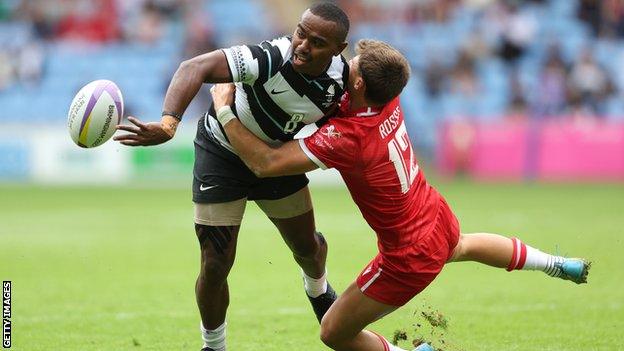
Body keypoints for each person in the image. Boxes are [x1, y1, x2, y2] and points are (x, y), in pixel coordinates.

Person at [209, 39, 591, 351]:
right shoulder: (388, 95)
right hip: (432, 211)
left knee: (332, 333)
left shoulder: (348, 138)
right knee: (464, 247)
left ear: (359, 85)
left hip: (408, 253)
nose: (345, 66)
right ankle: (557, 263)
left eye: (352, 65)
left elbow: (265, 164)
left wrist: (225, 109)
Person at [114, 3, 351, 350]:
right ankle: (214, 345)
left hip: (275, 159)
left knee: (308, 249)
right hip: (222, 155)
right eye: (301, 32)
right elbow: (193, 67)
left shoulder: (341, 82)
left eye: (317, 42)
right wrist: (168, 123)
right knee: (215, 264)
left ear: (337, 50)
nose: (302, 45)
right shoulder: (269, 57)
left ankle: (318, 292)